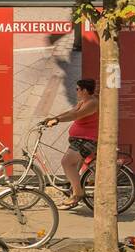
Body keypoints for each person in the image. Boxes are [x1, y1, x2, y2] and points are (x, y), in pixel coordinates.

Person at [41, 79, 99, 209]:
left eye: (77, 89)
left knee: (66, 162)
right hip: (80, 139)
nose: (76, 91)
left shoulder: (93, 103)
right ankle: (73, 195)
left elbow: (76, 115)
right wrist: (53, 118)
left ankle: (78, 193)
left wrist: (57, 120)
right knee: (74, 168)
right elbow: (70, 112)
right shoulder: (83, 102)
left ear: (84, 90)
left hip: (87, 140)